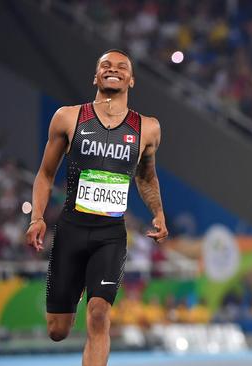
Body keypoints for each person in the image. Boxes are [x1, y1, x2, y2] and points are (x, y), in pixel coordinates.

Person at [25, 49, 168, 366]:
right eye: (105, 65)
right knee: (57, 330)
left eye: (121, 67)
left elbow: (146, 178)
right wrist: (37, 217)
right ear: (95, 76)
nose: (113, 69)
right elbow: (45, 174)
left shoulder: (148, 128)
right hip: (71, 231)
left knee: (99, 314)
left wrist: (158, 212)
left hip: (110, 236)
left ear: (131, 79)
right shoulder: (68, 117)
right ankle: (72, 289)